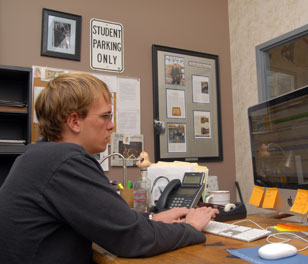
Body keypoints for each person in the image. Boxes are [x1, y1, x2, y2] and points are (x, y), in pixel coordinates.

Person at [0, 72, 218, 264]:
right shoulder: (65, 161)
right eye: (105, 116)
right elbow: (132, 239)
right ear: (74, 122)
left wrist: (152, 219)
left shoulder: (39, 155)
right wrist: (189, 227)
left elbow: (112, 222)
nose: (112, 125)